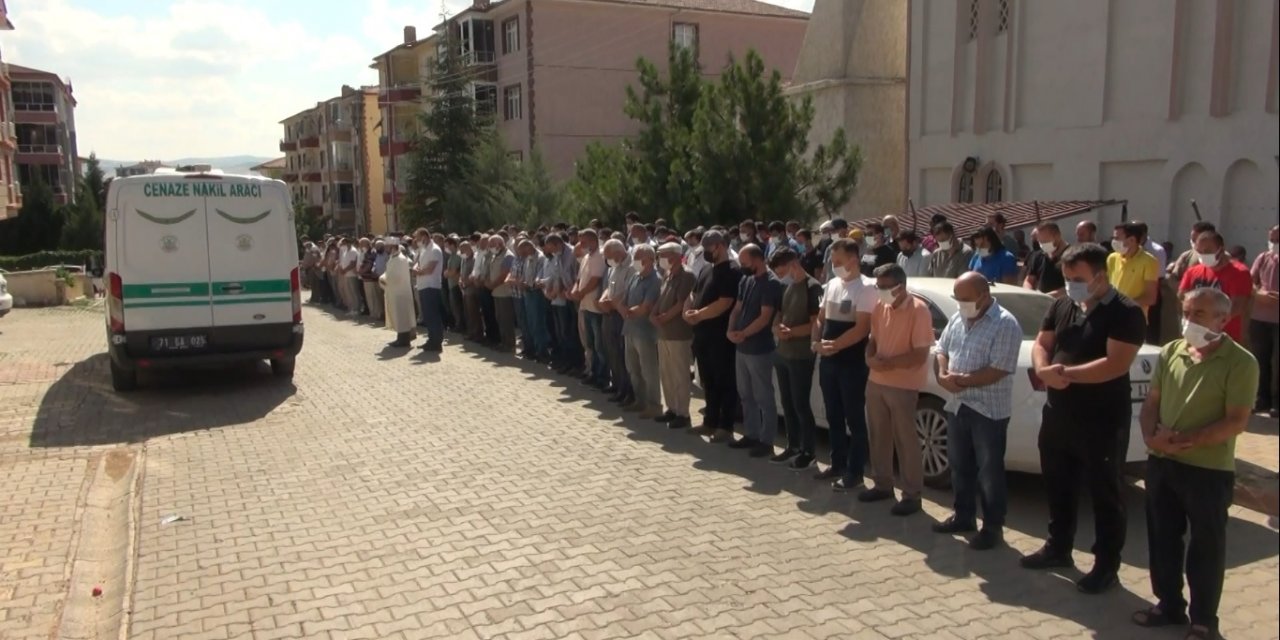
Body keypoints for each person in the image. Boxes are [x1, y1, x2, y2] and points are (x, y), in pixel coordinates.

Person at [1133, 287, 1257, 640]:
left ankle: (1203, 621)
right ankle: (1168, 604)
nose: (1188, 321)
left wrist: (1186, 440)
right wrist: (1151, 438)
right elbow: (1151, 402)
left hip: (1208, 470)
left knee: (1206, 548)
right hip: (1162, 463)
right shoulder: (1172, 351)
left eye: (1198, 315)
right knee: (1163, 539)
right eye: (1186, 313)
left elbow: (1236, 421)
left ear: (1223, 319)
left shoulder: (1241, 362)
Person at [1024, 243, 1145, 594]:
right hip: (1059, 414)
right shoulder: (1063, 304)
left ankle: (1106, 565)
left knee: (1105, 494)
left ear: (1100, 276)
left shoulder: (1125, 312)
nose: (1071, 284)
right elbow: (1042, 343)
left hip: (1102, 419)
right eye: (1067, 278)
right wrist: (1043, 369)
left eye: (1078, 279)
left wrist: (1065, 375)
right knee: (1058, 485)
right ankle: (1058, 547)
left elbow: (1116, 363)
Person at [932, 272, 1022, 550]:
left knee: (989, 472)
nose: (961, 303)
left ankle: (993, 527)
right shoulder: (958, 317)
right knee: (959, 466)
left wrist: (961, 381)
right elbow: (941, 348)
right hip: (958, 405)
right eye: (957, 298)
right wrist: (943, 374)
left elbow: (999, 369)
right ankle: (963, 516)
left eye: (966, 298)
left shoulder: (1005, 324)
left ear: (984, 295)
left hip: (988, 411)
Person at [863, 263, 933, 515]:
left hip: (903, 385)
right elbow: (873, 339)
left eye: (884, 287)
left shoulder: (919, 310)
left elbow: (920, 354)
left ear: (900, 287)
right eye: (878, 286)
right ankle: (882, 484)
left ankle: (912, 495)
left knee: (905, 440)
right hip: (876, 381)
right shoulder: (880, 306)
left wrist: (888, 364)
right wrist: (870, 357)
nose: (880, 291)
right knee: (878, 435)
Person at [813, 239, 878, 490]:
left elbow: (862, 328)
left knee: (854, 418)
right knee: (833, 415)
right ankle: (837, 463)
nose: (834, 265)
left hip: (852, 364)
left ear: (853, 259)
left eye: (838, 261)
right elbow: (821, 318)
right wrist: (816, 340)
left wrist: (835, 345)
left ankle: (855, 472)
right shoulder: (832, 284)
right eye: (832, 261)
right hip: (829, 362)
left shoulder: (867, 288)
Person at [686, 230, 743, 442]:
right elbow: (694, 294)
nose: (706, 252)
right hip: (702, 335)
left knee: (724, 381)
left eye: (708, 248)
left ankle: (725, 427)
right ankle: (709, 421)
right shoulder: (706, 269)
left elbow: (725, 302)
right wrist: (688, 311)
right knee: (708, 381)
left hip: (721, 337)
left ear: (719, 246)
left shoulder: (732, 271)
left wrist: (699, 314)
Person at [727, 244, 783, 458]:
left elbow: (765, 317)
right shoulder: (746, 280)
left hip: (759, 349)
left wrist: (744, 333)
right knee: (745, 394)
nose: (742, 266)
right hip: (742, 347)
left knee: (763, 397)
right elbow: (737, 308)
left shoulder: (771, 283)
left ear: (757, 260)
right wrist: (730, 330)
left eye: (745, 262)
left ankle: (766, 441)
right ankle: (751, 434)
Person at [769, 248, 822, 469]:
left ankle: (808, 452)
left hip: (801, 355)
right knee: (787, 402)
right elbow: (779, 314)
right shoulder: (786, 286)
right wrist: (777, 328)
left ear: (793, 265)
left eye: (782, 272)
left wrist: (791, 332)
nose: (780, 277)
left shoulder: (812, 287)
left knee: (801, 404)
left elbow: (815, 323)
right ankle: (793, 445)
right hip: (783, 353)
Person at [651, 242, 697, 429]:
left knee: (680, 374)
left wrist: (664, 318)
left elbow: (681, 303)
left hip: (678, 332)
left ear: (676, 255)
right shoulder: (667, 274)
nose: (660, 258)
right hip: (663, 332)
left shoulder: (687, 275)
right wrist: (653, 314)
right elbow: (660, 297)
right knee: (666, 373)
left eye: (663, 254)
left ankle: (683, 413)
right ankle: (671, 408)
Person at [1179, 231, 1252, 342]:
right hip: (1194, 333)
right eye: (1199, 251)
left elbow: (1237, 306)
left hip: (1225, 337)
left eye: (1207, 251)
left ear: (1221, 250)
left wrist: (1209, 325)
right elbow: (1182, 297)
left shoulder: (1240, 273)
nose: (1203, 255)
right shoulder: (1192, 272)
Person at [620, 244, 662, 417]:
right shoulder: (635, 277)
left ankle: (654, 405)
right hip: (629, 329)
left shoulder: (655, 280)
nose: (636, 261)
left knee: (648, 370)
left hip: (645, 332)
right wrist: (624, 309)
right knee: (633, 368)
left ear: (650, 260)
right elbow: (624, 300)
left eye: (639, 258)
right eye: (635, 258)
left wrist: (630, 312)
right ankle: (640, 401)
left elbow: (647, 306)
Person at [571, 229, 609, 386]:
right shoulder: (586, 257)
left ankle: (602, 377)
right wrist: (575, 290)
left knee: (600, 345)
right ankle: (592, 371)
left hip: (595, 307)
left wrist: (581, 292)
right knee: (590, 343)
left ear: (593, 241)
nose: (581, 245)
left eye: (583, 242)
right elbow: (579, 278)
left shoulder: (600, 255)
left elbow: (595, 279)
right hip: (585, 306)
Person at [599, 239, 635, 405]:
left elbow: (627, 291)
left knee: (622, 355)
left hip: (621, 315)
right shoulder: (614, 266)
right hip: (609, 313)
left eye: (609, 256)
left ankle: (627, 390)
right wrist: (604, 298)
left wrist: (612, 302)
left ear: (618, 253)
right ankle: (617, 385)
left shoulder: (631, 267)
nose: (608, 260)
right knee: (611, 351)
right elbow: (609, 287)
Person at [1250, 226, 1279, 417]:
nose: (1274, 244)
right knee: (1260, 359)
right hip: (1260, 318)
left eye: (1277, 240)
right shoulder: (1263, 258)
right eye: (1272, 240)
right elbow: (1250, 282)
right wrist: (1260, 294)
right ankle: (1261, 399)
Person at [1106, 222, 1159, 323]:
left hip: (1134, 320)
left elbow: (1150, 298)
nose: (1113, 241)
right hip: (1111, 318)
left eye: (1117, 238)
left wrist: (1123, 307)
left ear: (1132, 240)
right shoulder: (1112, 258)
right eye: (1113, 238)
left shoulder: (1149, 261)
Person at [410, 228, 444, 352]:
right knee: (428, 316)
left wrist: (418, 272)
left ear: (424, 236)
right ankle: (431, 339)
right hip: (423, 285)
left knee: (433, 315)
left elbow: (430, 269)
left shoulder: (435, 250)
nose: (417, 241)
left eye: (418, 238)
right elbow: (417, 263)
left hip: (431, 286)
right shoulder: (424, 249)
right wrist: (415, 268)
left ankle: (436, 342)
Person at [379, 237, 416, 347]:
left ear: (392, 247)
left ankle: (404, 340)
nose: (386, 248)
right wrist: (383, 277)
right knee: (397, 315)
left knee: (402, 316)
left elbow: (398, 277)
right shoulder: (393, 258)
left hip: (400, 292)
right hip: (394, 291)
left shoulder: (400, 259)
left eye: (387, 246)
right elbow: (389, 272)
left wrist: (385, 280)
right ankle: (400, 337)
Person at [487, 235, 517, 352]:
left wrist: (492, 285)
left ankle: (509, 344)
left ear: (500, 244)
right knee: (500, 318)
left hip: (505, 292)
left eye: (492, 245)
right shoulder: (496, 255)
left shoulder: (508, 256)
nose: (490, 247)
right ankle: (504, 342)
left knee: (506, 319)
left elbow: (504, 274)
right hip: (496, 292)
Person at [1023, 222, 1068, 297]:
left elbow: (1074, 286)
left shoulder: (1072, 257)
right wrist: (1029, 294)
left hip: (1061, 302)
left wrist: (1047, 297)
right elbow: (1029, 280)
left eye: (1045, 241)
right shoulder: (1038, 256)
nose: (1042, 245)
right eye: (1040, 241)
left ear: (1057, 236)